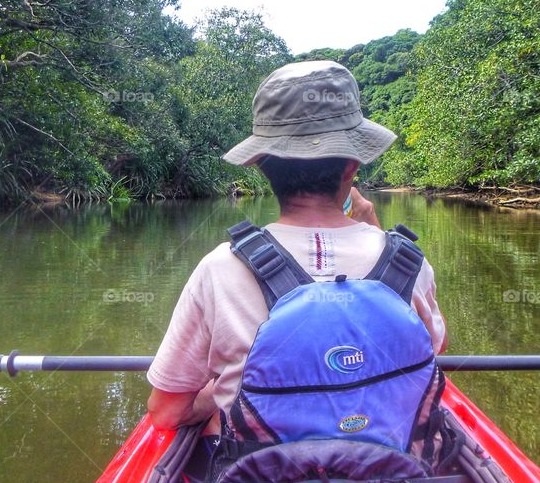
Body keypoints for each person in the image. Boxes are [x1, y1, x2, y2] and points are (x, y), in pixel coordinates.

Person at [146, 60, 448, 441]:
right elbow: (430, 347)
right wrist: (378, 235)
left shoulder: (221, 267)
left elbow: (167, 411)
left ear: (259, 165)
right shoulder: (410, 263)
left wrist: (220, 393)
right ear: (352, 167)